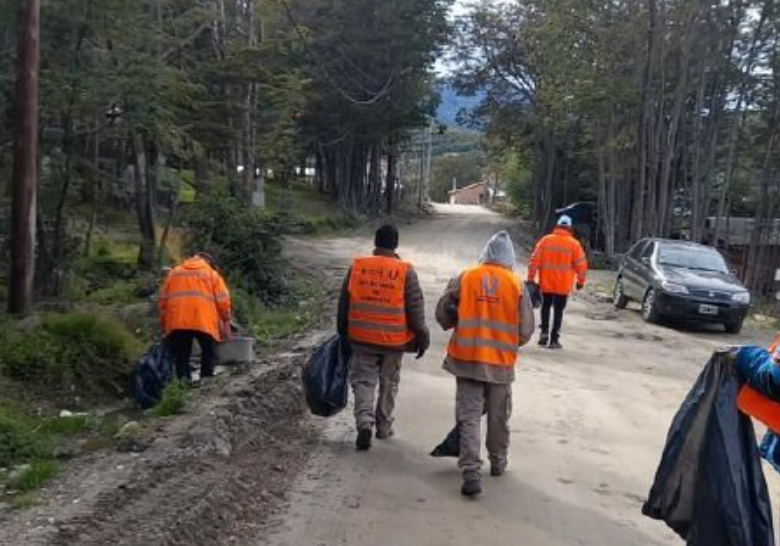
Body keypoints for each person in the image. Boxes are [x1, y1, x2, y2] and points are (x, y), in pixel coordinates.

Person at [436, 231, 535, 497]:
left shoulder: (466, 277)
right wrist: (507, 342)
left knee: (469, 416)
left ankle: (470, 470)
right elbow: (525, 331)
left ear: (485, 254)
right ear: (509, 259)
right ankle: (498, 461)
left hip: (467, 360)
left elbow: (442, 315)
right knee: (498, 416)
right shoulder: (516, 285)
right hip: (500, 365)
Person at [337, 224, 430, 451]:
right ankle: (384, 426)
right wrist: (422, 336)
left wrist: (343, 332)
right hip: (393, 341)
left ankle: (364, 423)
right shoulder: (405, 270)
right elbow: (415, 308)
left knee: (363, 381)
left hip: (361, 336)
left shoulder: (358, 266)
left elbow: (344, 303)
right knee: (389, 383)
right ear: (396, 244)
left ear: (375, 242)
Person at [159, 252, 231, 385]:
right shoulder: (212, 274)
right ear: (209, 262)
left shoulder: (174, 273)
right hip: (203, 320)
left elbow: (163, 301)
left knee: (182, 354)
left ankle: (183, 383)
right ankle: (206, 380)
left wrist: (164, 324)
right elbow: (223, 300)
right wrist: (226, 319)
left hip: (177, 321)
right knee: (208, 350)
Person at [527, 215, 588, 349]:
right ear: (570, 228)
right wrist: (580, 281)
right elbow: (582, 265)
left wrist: (531, 279)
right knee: (558, 311)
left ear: (557, 226)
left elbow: (534, 261)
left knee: (546, 307)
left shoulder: (545, 241)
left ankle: (544, 333)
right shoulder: (574, 244)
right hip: (563, 285)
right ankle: (554, 339)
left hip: (546, 283)